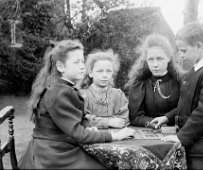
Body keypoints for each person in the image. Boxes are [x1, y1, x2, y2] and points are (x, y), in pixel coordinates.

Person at [18, 40, 134, 169]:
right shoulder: (58, 92)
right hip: (52, 155)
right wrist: (114, 135)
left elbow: (73, 124)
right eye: (76, 62)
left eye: (82, 61)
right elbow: (78, 134)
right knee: (109, 164)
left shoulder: (63, 88)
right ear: (60, 67)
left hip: (58, 147)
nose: (82, 66)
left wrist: (88, 127)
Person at [160, 22, 203, 170]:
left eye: (183, 50)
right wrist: (167, 118)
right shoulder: (195, 71)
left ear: (199, 46)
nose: (180, 55)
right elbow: (185, 106)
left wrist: (180, 137)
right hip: (193, 147)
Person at [126, 34, 183, 129]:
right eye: (151, 59)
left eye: (159, 59)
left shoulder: (181, 80)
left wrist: (167, 117)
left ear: (168, 58)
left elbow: (187, 108)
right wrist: (154, 123)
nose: (155, 64)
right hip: (150, 132)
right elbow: (135, 117)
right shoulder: (139, 82)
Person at [79, 50, 130, 129]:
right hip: (91, 138)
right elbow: (82, 120)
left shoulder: (118, 95)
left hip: (117, 138)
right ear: (91, 73)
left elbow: (123, 120)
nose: (105, 75)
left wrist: (93, 120)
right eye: (100, 71)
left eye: (108, 71)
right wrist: (108, 122)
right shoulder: (83, 96)